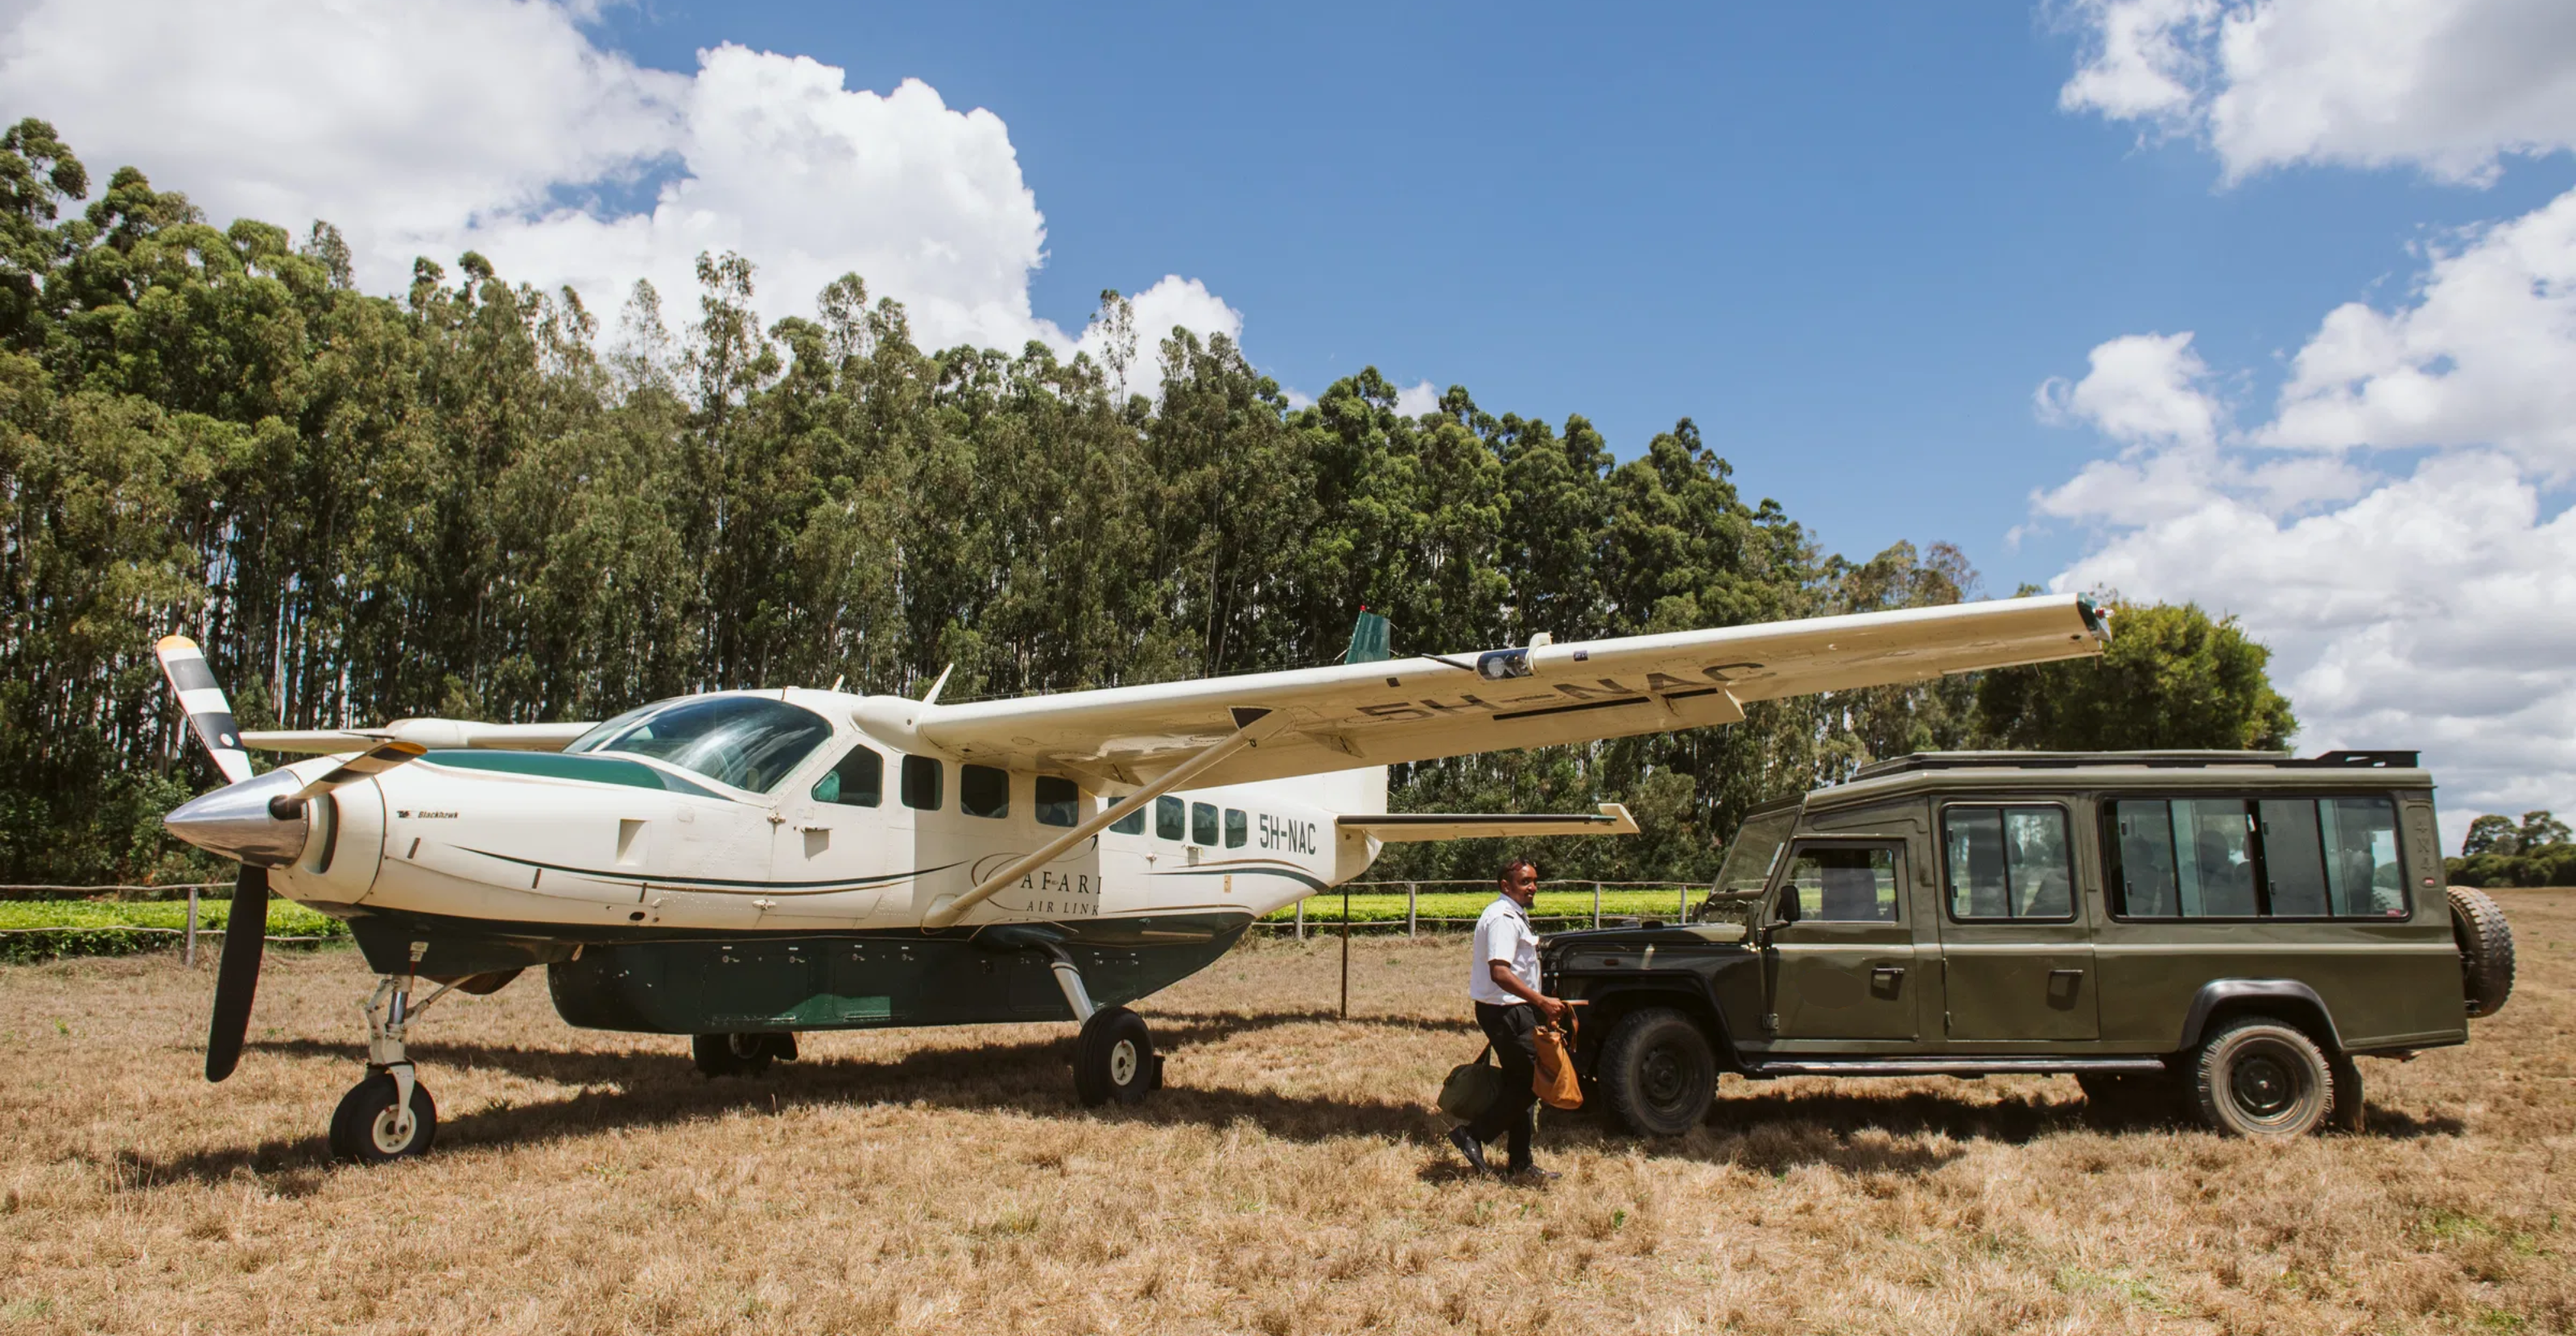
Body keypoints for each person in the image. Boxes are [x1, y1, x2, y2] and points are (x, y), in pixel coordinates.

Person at [1449, 856, 1566, 1178]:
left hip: (1514, 1009)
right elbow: (1500, 972)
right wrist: (1542, 1001)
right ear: (1506, 885)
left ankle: (1520, 1164)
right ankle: (1473, 1135)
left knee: (1521, 1083)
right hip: (1506, 1011)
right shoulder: (1502, 918)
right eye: (1525, 882)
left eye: (1534, 881)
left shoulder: (1514, 915)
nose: (1533, 887)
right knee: (1534, 1081)